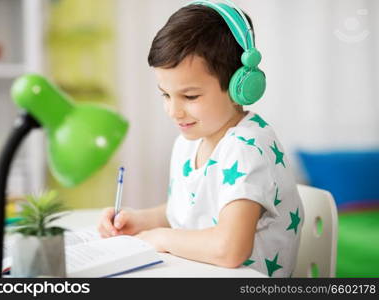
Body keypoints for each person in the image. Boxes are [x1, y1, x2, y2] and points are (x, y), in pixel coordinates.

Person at [98, 0, 304, 278]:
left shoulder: (247, 149)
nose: (174, 111)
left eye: (190, 96)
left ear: (239, 86)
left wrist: (158, 238)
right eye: (165, 94)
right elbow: (187, 213)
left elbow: (230, 249)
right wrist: (138, 220)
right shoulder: (189, 140)